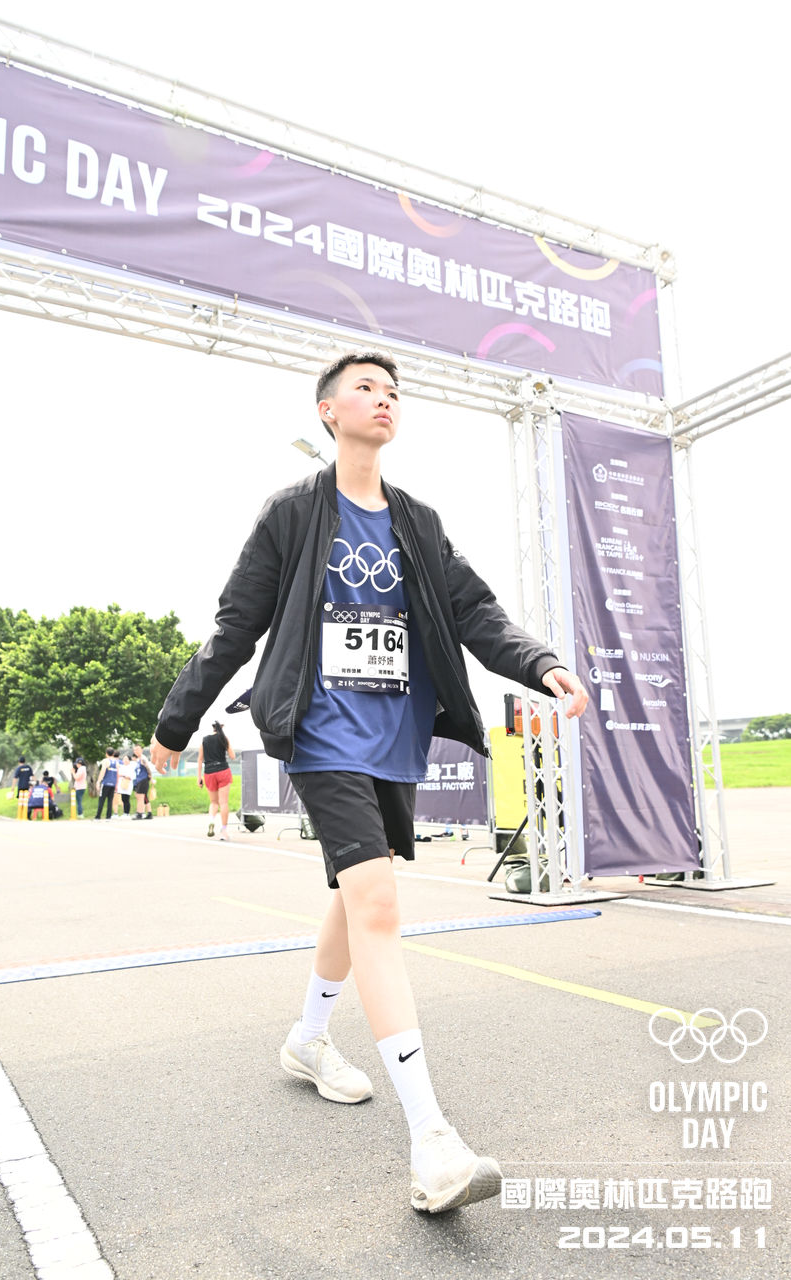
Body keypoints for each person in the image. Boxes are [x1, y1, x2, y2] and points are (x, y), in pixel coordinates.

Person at [150, 351, 588, 1214]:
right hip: (320, 733)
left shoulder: (417, 521)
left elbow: (473, 611)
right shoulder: (292, 513)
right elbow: (236, 625)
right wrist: (176, 720)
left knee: (357, 896)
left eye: (392, 392)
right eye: (365, 388)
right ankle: (432, 1141)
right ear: (327, 411)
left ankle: (308, 1038)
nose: (383, 400)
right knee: (379, 904)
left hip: (394, 737)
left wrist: (538, 663)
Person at [196, 721, 235, 839]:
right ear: (222, 727)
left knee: (213, 802)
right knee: (223, 802)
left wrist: (199, 777)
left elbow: (200, 759)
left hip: (209, 773)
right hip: (223, 771)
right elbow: (233, 756)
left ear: (212, 727)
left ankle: (211, 820)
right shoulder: (223, 738)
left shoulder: (204, 740)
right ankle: (224, 831)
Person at [131, 744, 154, 820]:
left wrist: (151, 778)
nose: (136, 751)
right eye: (135, 750)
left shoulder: (143, 758)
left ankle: (139, 813)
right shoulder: (138, 759)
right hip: (139, 780)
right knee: (143, 797)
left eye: (137, 749)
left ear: (141, 750)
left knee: (140, 796)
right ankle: (149, 813)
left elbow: (148, 768)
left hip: (143, 779)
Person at [95, 748, 118, 820]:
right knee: (110, 801)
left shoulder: (106, 761)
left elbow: (103, 771)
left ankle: (98, 816)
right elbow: (117, 773)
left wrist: (98, 781)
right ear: (113, 754)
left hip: (106, 782)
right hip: (113, 783)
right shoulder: (116, 762)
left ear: (106, 754)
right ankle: (108, 816)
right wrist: (116, 783)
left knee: (101, 799)